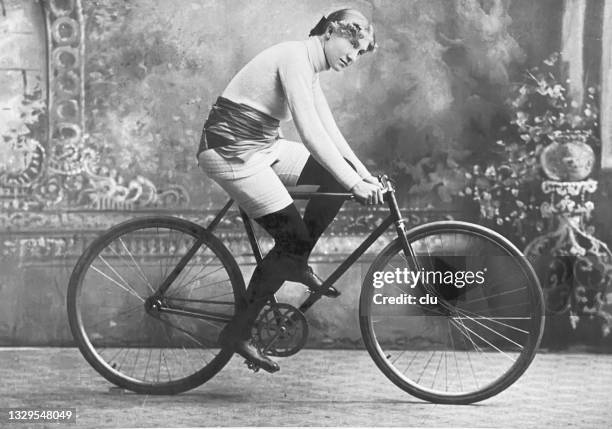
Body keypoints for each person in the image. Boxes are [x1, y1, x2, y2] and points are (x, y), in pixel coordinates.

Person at [197, 8, 383, 373]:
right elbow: (311, 134)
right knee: (295, 236)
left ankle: (294, 260)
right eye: (352, 43)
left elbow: (331, 132)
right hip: (231, 150)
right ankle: (238, 332)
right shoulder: (294, 57)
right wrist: (355, 184)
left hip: (262, 145)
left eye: (361, 52)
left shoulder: (311, 68)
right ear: (330, 32)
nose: (353, 55)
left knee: (330, 181)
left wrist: (363, 175)